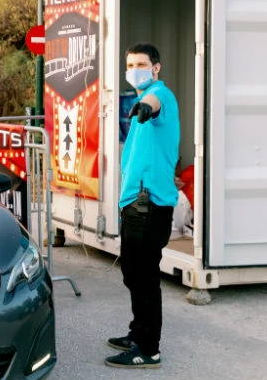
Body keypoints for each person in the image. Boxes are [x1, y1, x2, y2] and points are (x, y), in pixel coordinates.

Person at [105, 43, 180, 370]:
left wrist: (144, 109)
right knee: (133, 272)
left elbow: (154, 103)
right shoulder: (141, 98)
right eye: (131, 63)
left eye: (141, 63)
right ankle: (138, 333)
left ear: (156, 67)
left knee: (144, 275)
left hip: (148, 206)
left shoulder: (160, 95)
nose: (135, 68)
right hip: (136, 203)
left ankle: (148, 348)